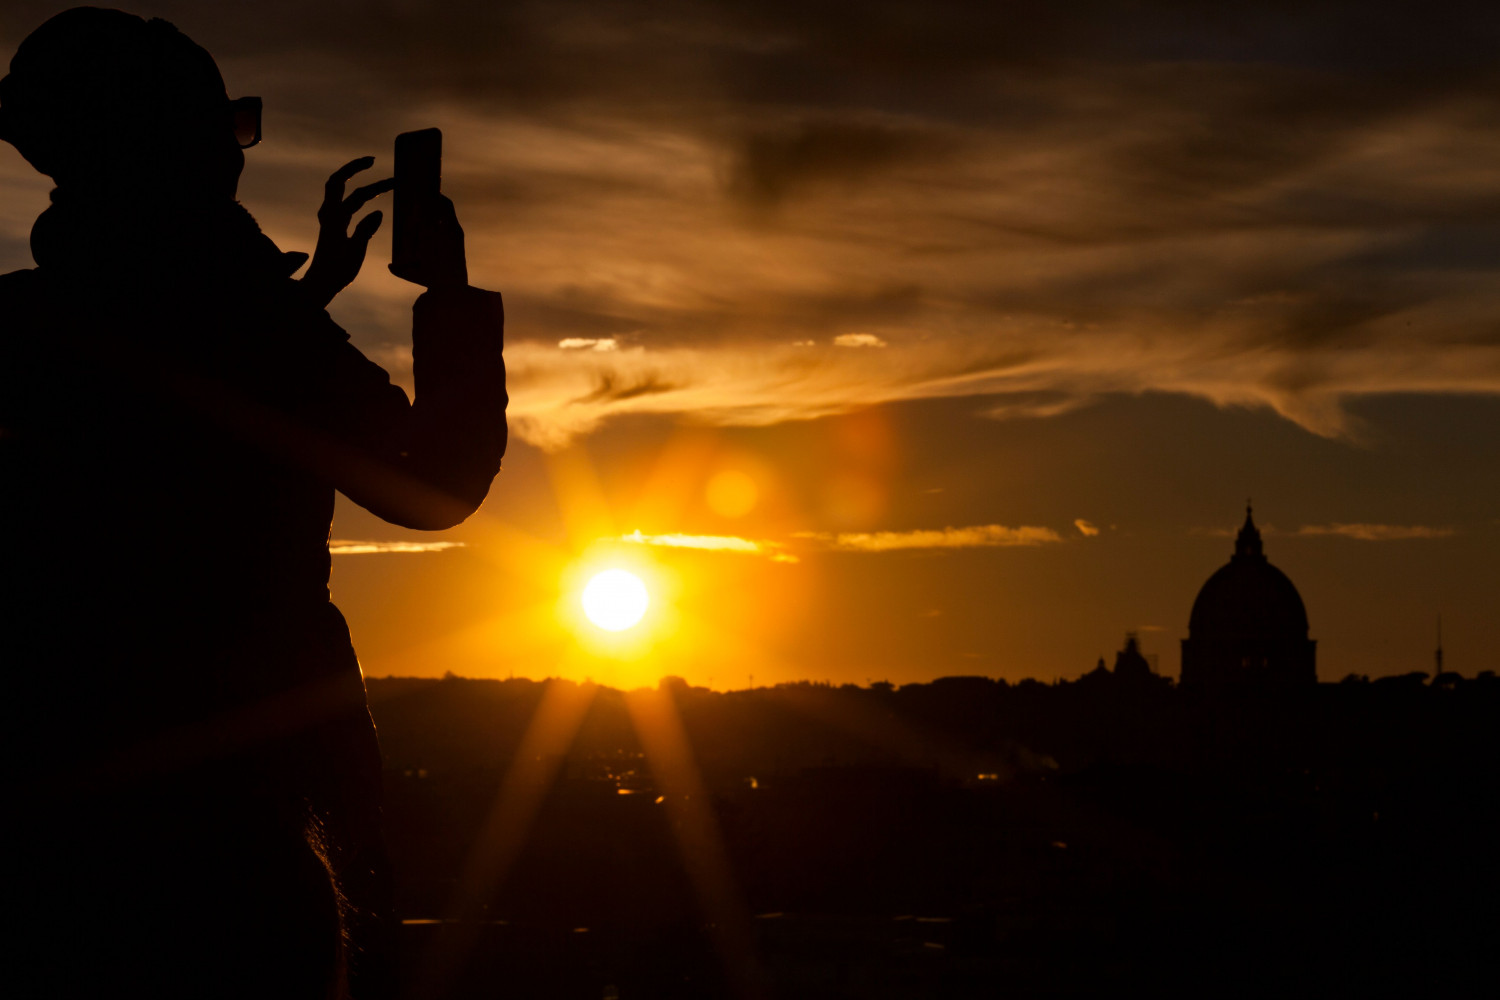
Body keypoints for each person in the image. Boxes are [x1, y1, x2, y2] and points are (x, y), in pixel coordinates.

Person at [0, 8, 506, 997]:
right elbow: (432, 486)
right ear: (178, 151)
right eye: (224, 132)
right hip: (243, 830)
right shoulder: (256, 331)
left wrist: (301, 298)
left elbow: (150, 375)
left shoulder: (20, 323)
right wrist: (447, 293)